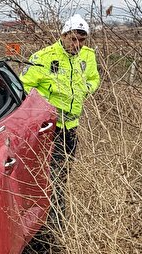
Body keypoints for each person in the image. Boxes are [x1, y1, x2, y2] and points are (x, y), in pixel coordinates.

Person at [20, 14, 100, 163]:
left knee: (65, 169)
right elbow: (25, 85)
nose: (78, 44)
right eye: (73, 39)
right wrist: (43, 108)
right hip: (47, 126)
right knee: (47, 170)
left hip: (71, 126)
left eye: (82, 40)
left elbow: (94, 78)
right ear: (63, 36)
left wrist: (85, 90)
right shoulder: (44, 57)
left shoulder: (87, 56)